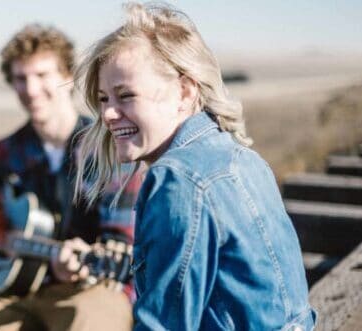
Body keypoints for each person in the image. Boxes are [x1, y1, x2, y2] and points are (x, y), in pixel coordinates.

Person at [74, 3, 316, 330]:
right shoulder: (244, 158)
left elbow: (163, 325)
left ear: (184, 92)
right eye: (104, 99)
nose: (108, 114)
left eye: (125, 95)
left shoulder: (176, 178)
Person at [0, 24, 141, 331]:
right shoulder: (13, 147)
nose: (31, 89)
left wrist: (77, 266)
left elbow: (117, 245)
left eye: (42, 75)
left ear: (68, 77)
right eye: (21, 79)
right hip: (14, 288)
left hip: (88, 288)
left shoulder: (111, 150)